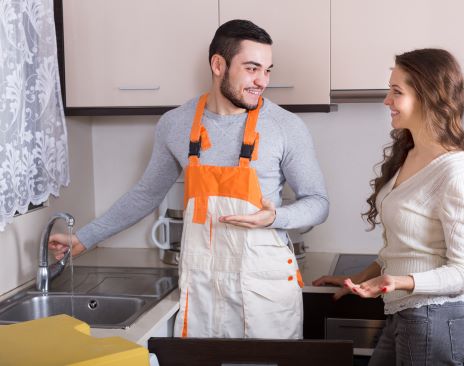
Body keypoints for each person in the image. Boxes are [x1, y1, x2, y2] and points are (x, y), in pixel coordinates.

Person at [49, 19, 329, 339]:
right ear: (218, 64)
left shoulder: (286, 127)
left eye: (267, 70)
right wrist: (84, 238)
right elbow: (146, 194)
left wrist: (275, 217)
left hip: (264, 291)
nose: (262, 81)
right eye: (252, 68)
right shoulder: (176, 124)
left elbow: (318, 203)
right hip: (202, 289)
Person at [313, 48, 464, 365]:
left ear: (427, 97)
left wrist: (400, 281)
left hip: (435, 318)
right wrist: (361, 279)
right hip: (409, 314)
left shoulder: (456, 174)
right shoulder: (410, 154)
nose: (386, 101)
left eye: (396, 92)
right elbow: (404, 247)